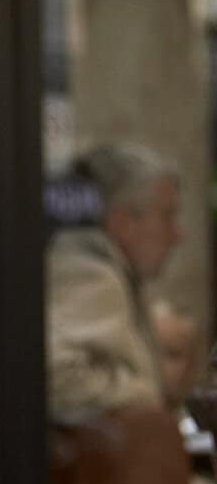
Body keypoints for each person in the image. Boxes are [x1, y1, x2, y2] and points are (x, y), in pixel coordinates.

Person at [47, 143, 182, 426]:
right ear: (122, 223)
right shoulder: (94, 276)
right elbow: (55, 375)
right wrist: (144, 396)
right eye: (167, 216)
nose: (177, 235)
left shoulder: (88, 267)